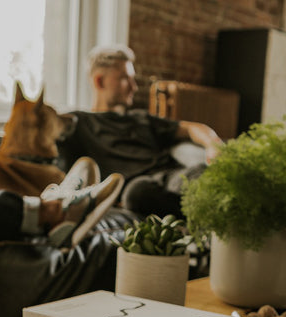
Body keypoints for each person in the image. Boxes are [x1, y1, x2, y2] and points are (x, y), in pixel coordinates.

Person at [56, 45, 224, 218]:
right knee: (137, 193)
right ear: (99, 81)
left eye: (132, 79)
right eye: (125, 79)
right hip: (140, 191)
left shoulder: (141, 118)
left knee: (202, 175)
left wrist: (214, 145)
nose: (134, 87)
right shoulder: (79, 124)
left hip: (173, 178)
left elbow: (193, 128)